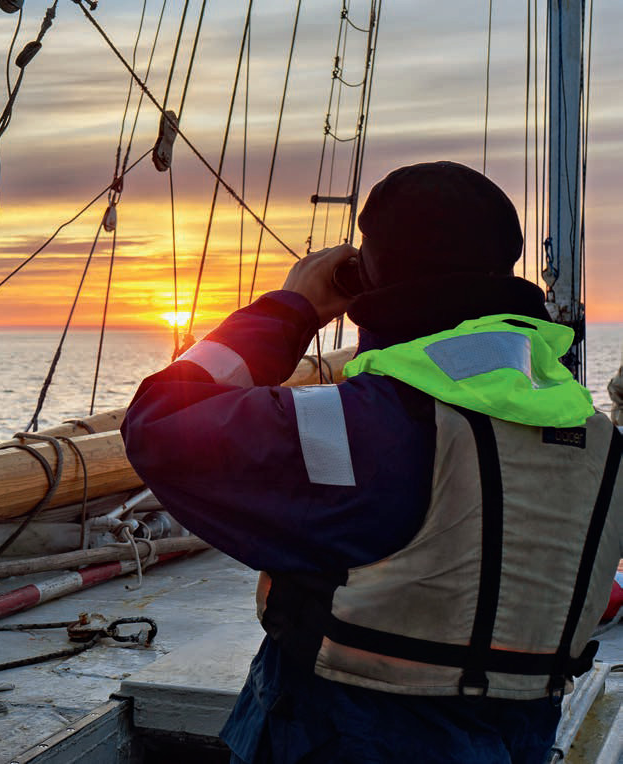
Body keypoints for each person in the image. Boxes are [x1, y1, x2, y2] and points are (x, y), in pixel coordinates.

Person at [120, 161, 623, 763]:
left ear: (375, 278)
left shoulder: (372, 427)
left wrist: (292, 308)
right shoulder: (598, 444)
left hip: (344, 738)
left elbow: (159, 424)